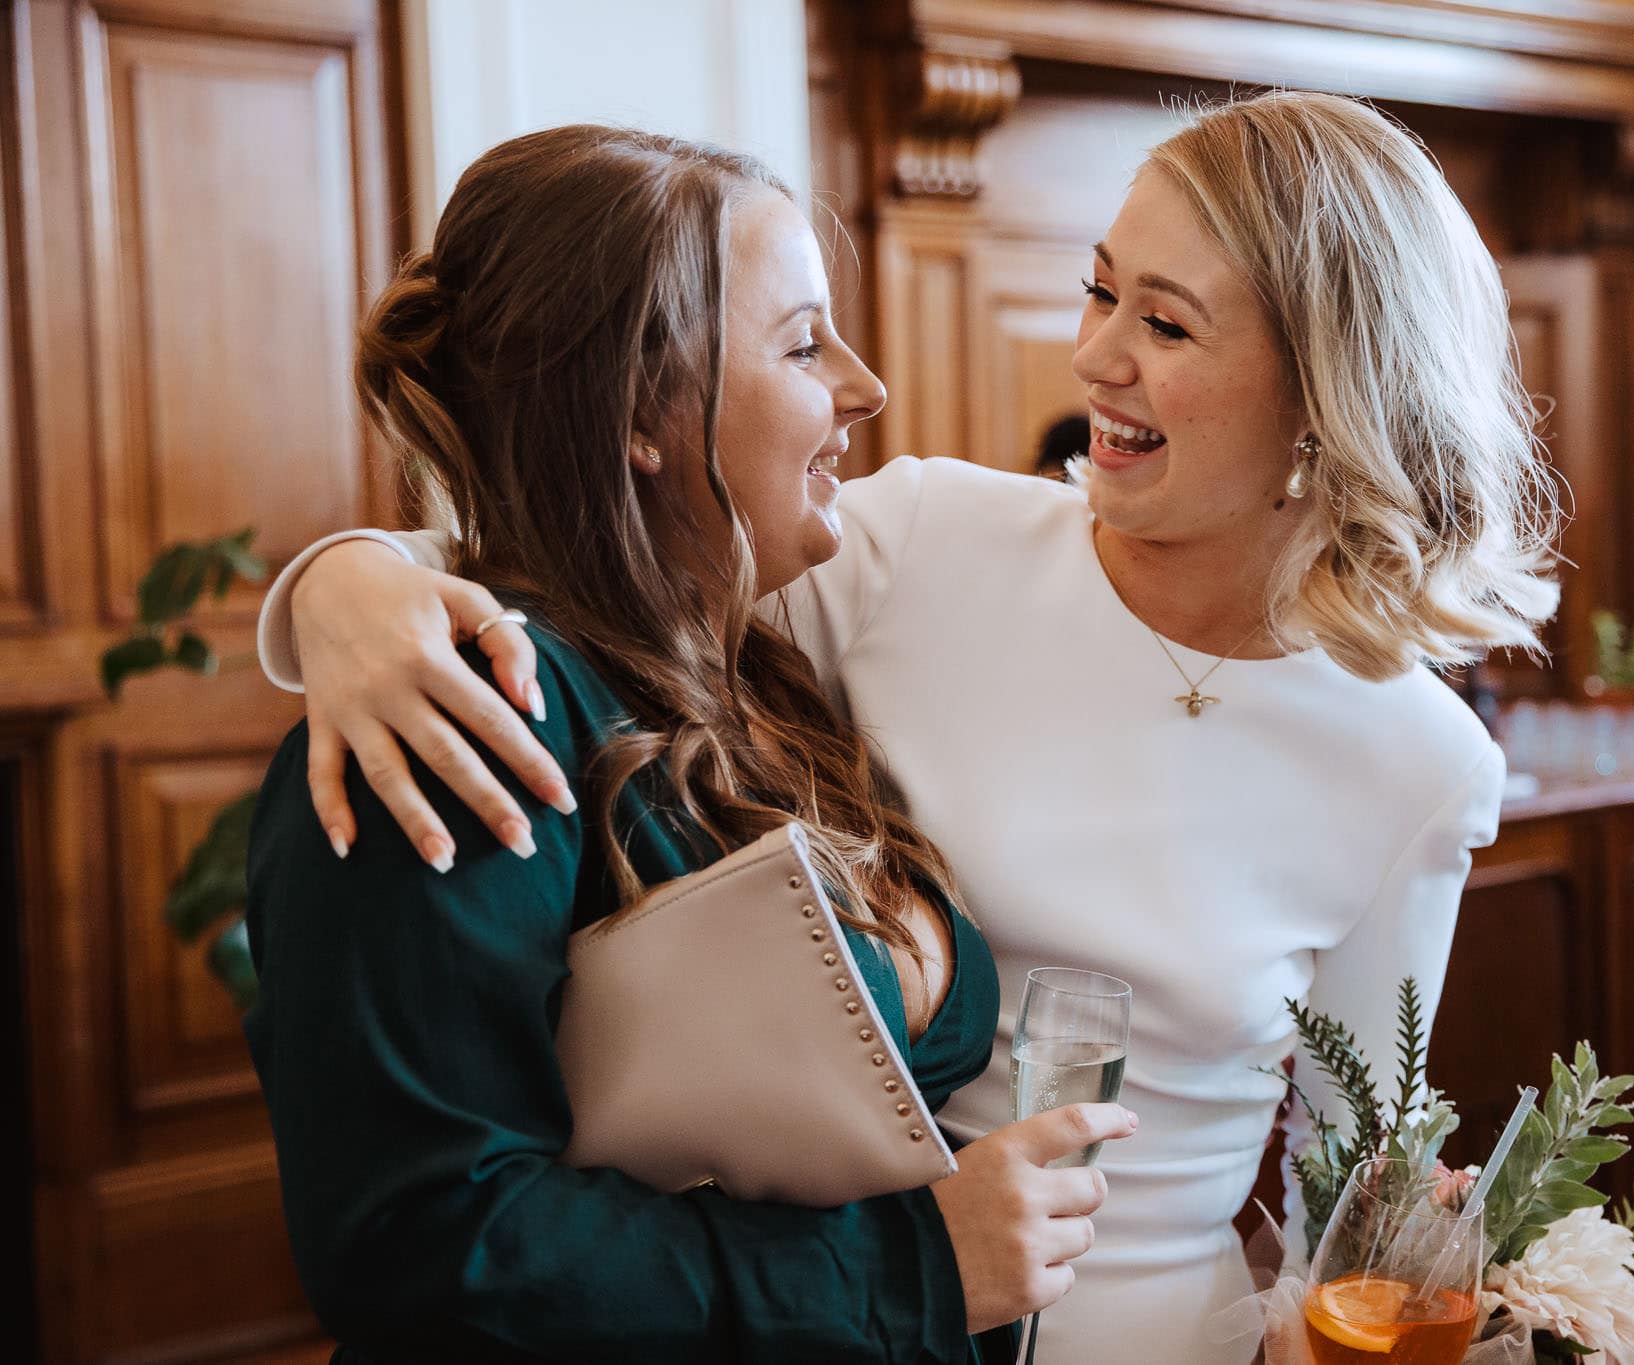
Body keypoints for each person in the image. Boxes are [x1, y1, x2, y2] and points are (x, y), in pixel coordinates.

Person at [257, 93, 1558, 1364]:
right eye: (1100, 292)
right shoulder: (921, 543)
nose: (1094, 356)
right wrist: (340, 584)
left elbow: (1350, 1195)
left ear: (1326, 394)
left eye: (1162, 321)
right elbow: (581, 560)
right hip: (863, 1307)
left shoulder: (1419, 765)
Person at [241, 124, 1136, 1365]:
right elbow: (425, 1254)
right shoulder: (460, 723)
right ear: (638, 415)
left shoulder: (767, 675)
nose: (864, 389)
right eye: (800, 343)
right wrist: (912, 1268)